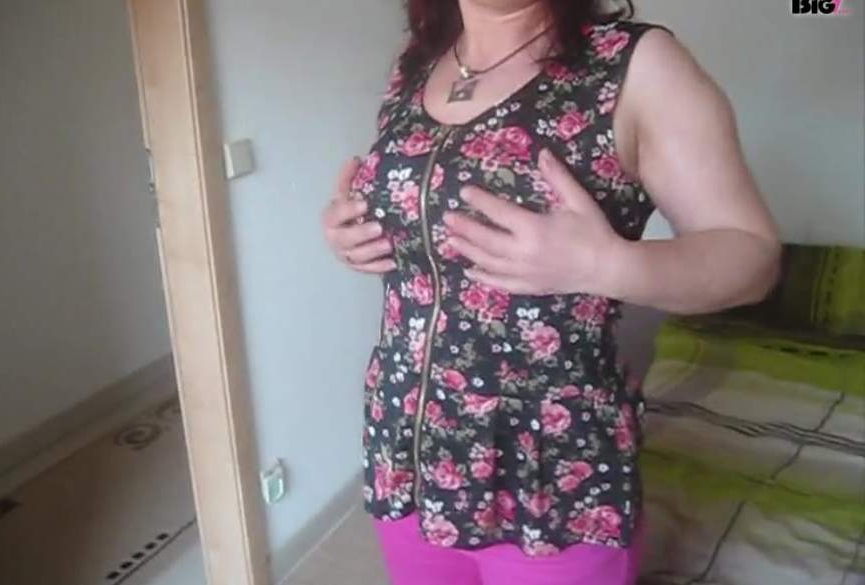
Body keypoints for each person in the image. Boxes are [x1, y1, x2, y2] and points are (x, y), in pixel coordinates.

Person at [321, 1, 781, 583]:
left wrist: (606, 264)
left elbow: (752, 257)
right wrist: (354, 231)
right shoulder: (415, 68)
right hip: (409, 452)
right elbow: (424, 224)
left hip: (552, 476)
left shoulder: (637, 65)